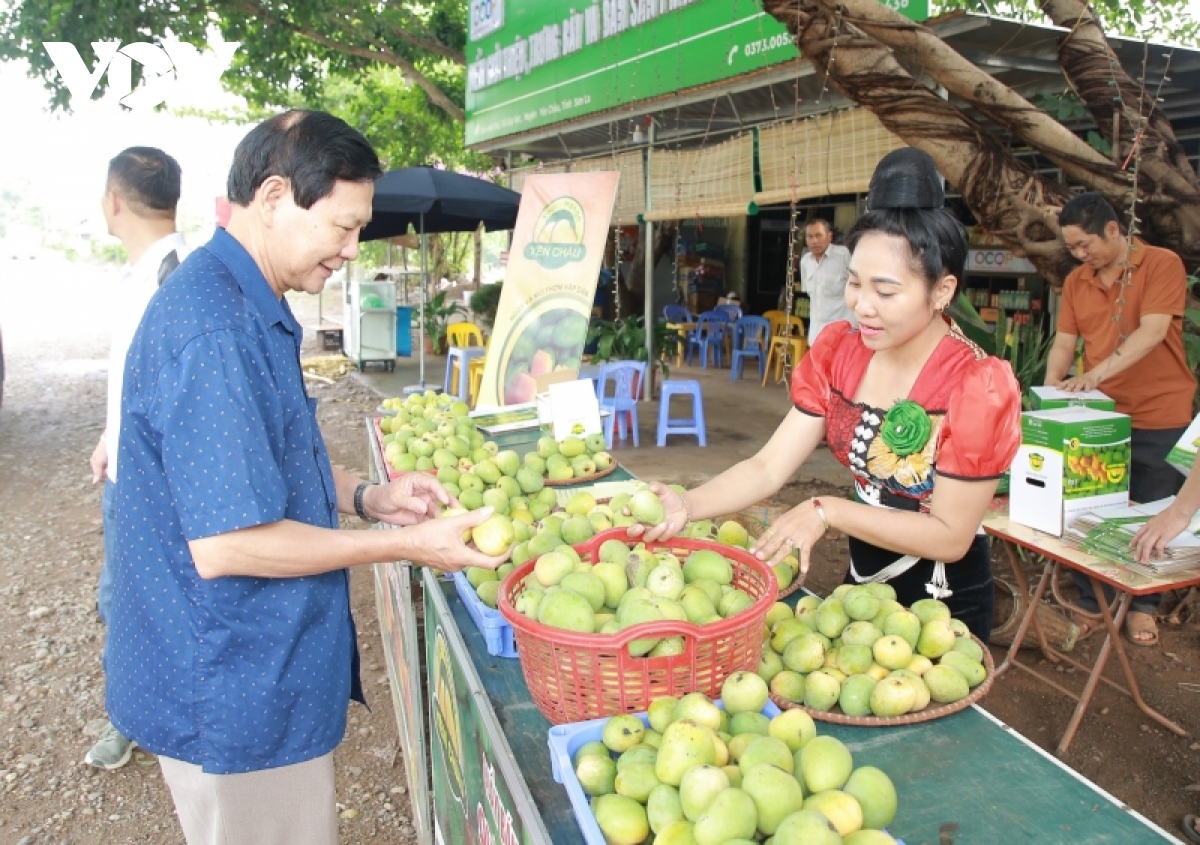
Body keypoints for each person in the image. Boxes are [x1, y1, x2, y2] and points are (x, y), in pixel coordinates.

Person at [106, 110, 506, 845]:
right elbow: (228, 543)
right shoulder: (216, 329)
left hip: (244, 670)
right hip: (230, 686)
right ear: (272, 198)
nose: (353, 250)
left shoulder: (245, 302)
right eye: (342, 227)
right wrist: (408, 546)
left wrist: (367, 496)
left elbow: (264, 460)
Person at [636, 147, 1021, 640]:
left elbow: (951, 535)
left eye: (885, 292)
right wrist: (687, 505)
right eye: (855, 284)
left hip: (944, 613)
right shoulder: (841, 352)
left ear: (942, 291)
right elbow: (768, 466)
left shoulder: (977, 385)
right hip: (860, 593)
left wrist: (829, 509)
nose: (863, 306)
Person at [1045, 192, 1195, 647]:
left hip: (1159, 411)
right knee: (1089, 508)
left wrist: (1095, 375)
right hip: (1098, 418)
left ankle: (1142, 606)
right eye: (1072, 248)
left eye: (1084, 245)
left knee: (1151, 512)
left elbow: (1151, 332)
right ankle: (1094, 603)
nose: (1079, 255)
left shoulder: (1162, 264)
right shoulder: (1077, 280)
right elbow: (1064, 343)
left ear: (1114, 229)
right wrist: (1049, 398)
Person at [85, 146, 188, 771]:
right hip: (124, 472)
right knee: (121, 599)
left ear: (113, 201)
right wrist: (107, 435)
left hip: (153, 489)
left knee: (141, 601)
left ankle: (146, 715)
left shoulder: (175, 281)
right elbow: (134, 379)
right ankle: (133, 709)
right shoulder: (138, 275)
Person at [800, 219, 854, 343]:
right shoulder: (805, 262)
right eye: (810, 237)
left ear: (829, 236)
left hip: (843, 336)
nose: (814, 241)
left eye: (818, 235)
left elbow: (860, 288)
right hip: (816, 336)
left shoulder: (844, 256)